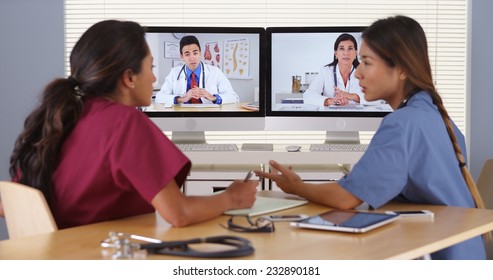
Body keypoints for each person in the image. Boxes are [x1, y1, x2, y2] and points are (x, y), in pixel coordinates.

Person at [256, 15, 486, 260]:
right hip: (467, 251)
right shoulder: (437, 116)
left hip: (440, 258)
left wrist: (295, 186)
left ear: (401, 69)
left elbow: (346, 199)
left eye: (366, 62)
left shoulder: (402, 124)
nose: (358, 74)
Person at [8, 20, 257, 229]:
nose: (154, 77)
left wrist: (211, 96)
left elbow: (10, 203)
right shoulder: (125, 122)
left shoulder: (60, 115)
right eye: (150, 67)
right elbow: (179, 213)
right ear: (129, 78)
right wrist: (232, 197)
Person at [155, 35, 239, 105]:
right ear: (182, 57)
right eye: (187, 54)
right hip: (182, 117)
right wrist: (182, 98)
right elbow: (159, 97)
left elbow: (234, 97)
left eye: (195, 53)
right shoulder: (174, 73)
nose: (192, 58)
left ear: (200, 54)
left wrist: (212, 97)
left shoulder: (215, 72)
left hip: (207, 116)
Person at [303, 33, 364, 107]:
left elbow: (378, 98)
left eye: (350, 48)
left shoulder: (364, 72)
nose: (346, 53)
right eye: (342, 48)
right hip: (331, 116)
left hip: (358, 117)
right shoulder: (325, 71)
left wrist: (353, 96)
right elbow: (308, 96)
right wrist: (330, 101)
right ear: (336, 53)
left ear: (355, 53)